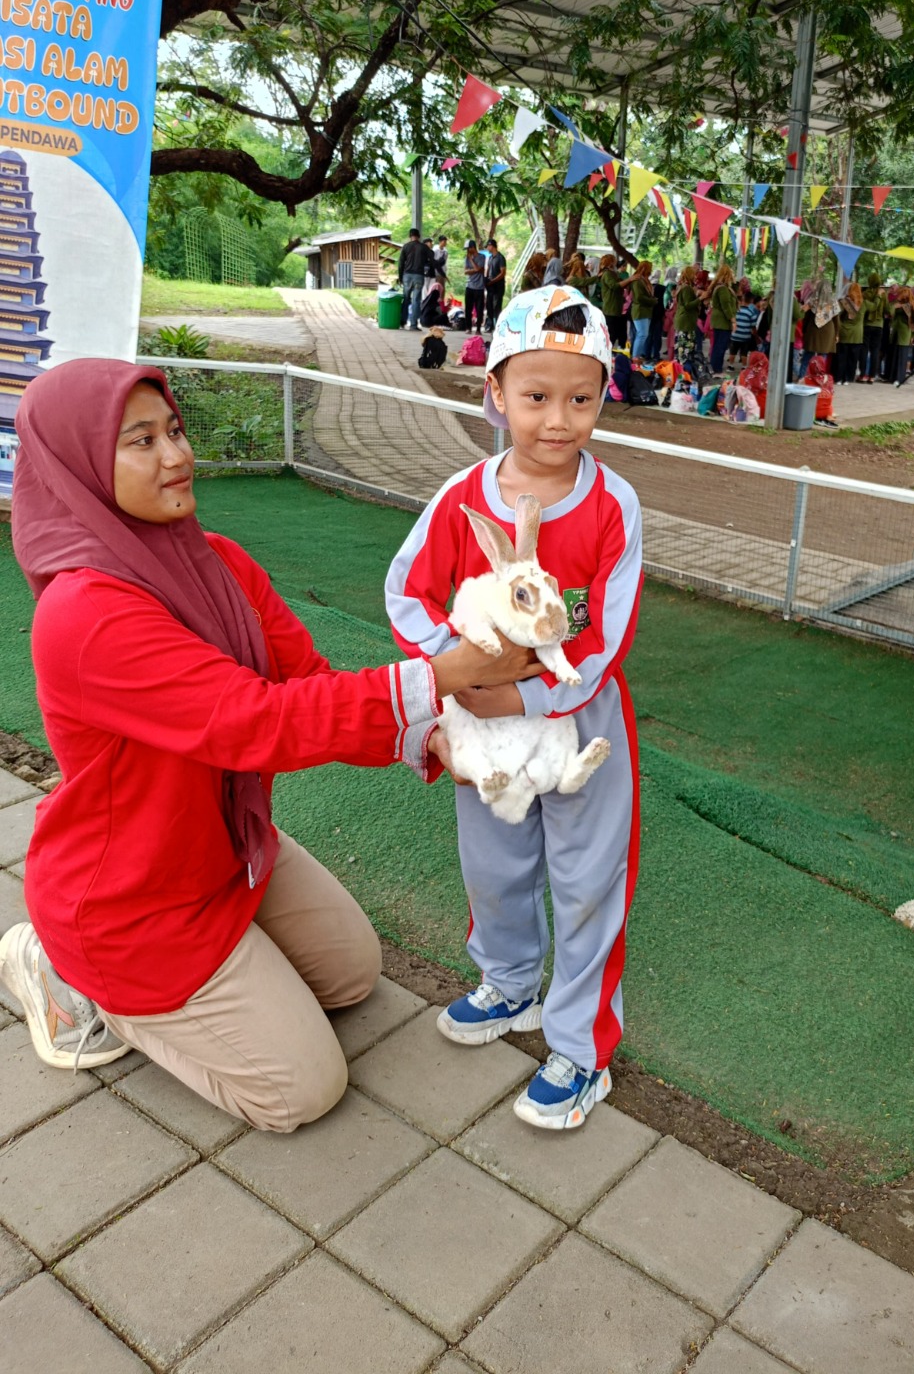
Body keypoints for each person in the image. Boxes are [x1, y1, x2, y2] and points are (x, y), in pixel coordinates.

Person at [0, 360, 539, 1126]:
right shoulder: (83, 615)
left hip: (225, 844)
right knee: (299, 1091)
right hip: (132, 903)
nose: (178, 456)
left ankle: (223, 967)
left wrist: (436, 745)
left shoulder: (215, 560)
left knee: (354, 976)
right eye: (141, 441)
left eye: (176, 431)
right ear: (80, 466)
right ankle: (69, 979)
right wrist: (445, 673)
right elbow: (257, 723)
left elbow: (308, 683)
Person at [385, 285, 643, 1131]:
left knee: (585, 880)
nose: (557, 419)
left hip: (581, 722)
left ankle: (580, 1048)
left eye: (581, 396)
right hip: (484, 723)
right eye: (535, 397)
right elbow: (406, 594)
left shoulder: (613, 505)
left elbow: (605, 637)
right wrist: (460, 675)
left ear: (604, 393)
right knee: (494, 862)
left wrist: (525, 689)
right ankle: (508, 983)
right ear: (493, 393)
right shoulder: (463, 495)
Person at [399, 228, 434, 330]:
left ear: (410, 236)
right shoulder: (423, 247)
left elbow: (401, 263)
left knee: (406, 298)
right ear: (419, 236)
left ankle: (402, 321)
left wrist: (400, 277)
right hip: (419, 276)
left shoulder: (406, 246)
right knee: (416, 300)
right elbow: (432, 257)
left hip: (407, 276)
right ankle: (413, 325)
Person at [705, 263, 738, 373]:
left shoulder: (719, 287)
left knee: (718, 346)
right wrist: (733, 320)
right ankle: (716, 368)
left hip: (719, 321)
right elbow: (726, 305)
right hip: (722, 322)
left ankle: (715, 367)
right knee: (720, 346)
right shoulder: (723, 289)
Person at [626, 259, 656, 359]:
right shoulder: (638, 280)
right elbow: (638, 297)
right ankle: (635, 357)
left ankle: (636, 356)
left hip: (645, 311)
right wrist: (652, 301)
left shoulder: (644, 280)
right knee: (642, 335)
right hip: (640, 311)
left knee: (642, 335)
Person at [861, 274, 887, 381]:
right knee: (875, 351)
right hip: (879, 325)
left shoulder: (865, 294)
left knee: (864, 350)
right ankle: (872, 376)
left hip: (867, 324)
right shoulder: (884, 294)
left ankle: (862, 374)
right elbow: (888, 310)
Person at [598, 253, 626, 348]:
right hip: (610, 308)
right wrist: (629, 280)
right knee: (611, 333)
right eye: (614, 261)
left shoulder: (613, 274)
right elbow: (614, 286)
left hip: (615, 308)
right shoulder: (607, 274)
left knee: (615, 332)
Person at [484, 238, 507, 329]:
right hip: (490, 287)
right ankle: (489, 325)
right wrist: (487, 280)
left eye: (488, 246)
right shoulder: (490, 258)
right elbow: (488, 270)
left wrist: (493, 280)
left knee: (496, 306)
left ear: (491, 246)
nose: (487, 249)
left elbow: (503, 273)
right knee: (489, 305)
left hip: (498, 286)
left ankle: (498, 325)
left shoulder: (500, 258)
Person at [464, 240, 486, 332]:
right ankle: (468, 327)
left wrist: (471, 261)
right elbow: (465, 271)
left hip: (479, 287)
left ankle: (478, 329)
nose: (467, 251)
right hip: (469, 286)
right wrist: (475, 270)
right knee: (468, 309)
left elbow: (478, 268)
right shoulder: (466, 258)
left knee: (479, 309)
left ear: (473, 247)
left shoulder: (482, 257)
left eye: (468, 249)